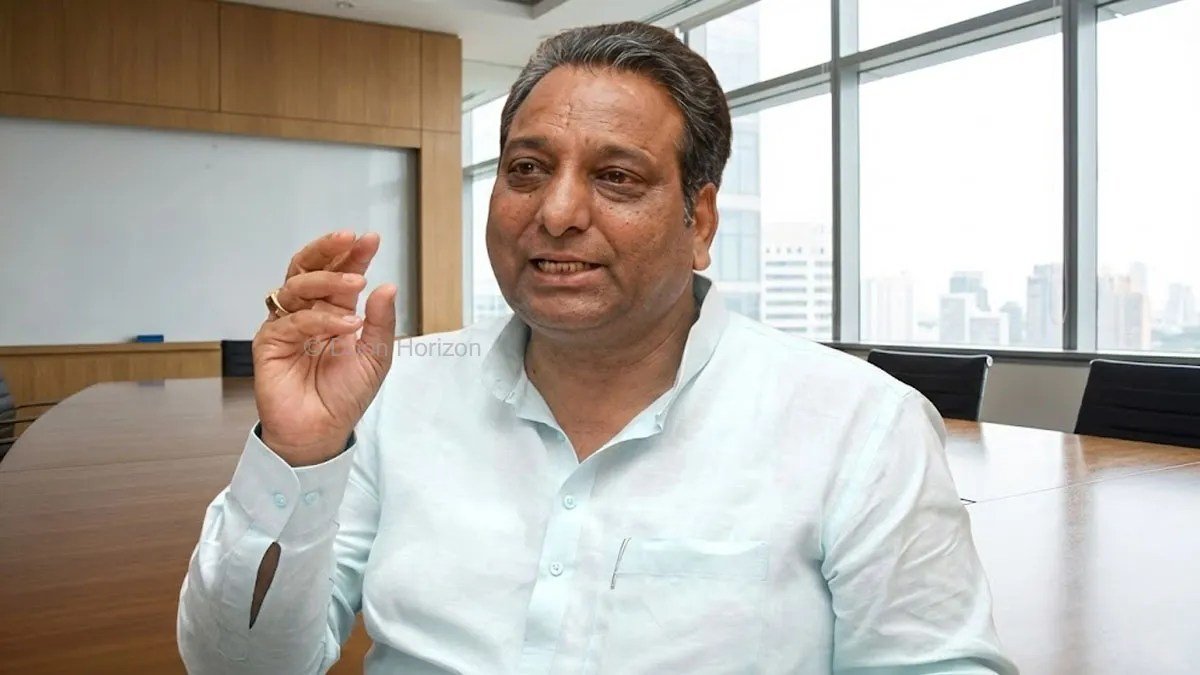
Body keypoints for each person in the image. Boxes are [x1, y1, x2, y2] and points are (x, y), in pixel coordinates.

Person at [177, 21, 1016, 675]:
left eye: (617, 177)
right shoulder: (399, 393)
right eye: (526, 169)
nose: (557, 213)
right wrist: (298, 456)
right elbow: (239, 664)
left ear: (700, 221)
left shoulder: (858, 425)